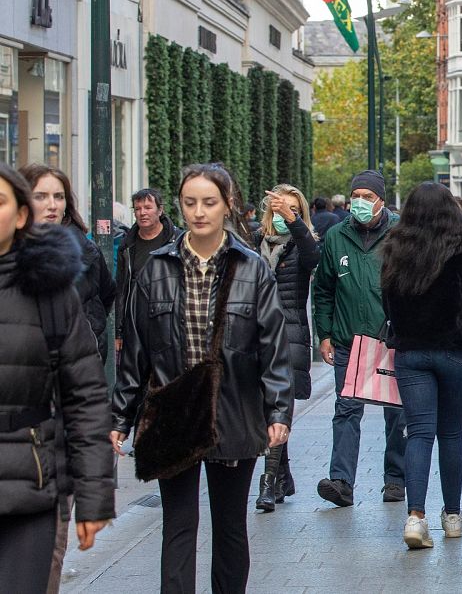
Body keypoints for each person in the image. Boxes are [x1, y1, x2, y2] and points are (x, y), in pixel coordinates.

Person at [111, 163, 292, 593]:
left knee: (230, 527)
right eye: (190, 202)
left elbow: (272, 347)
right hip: (172, 409)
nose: (198, 212)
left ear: (227, 205)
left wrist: (278, 409)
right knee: (177, 525)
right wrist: (120, 419)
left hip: (234, 407)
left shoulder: (251, 269)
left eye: (209, 202)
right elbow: (136, 350)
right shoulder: (156, 268)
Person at [0, 165, 113, 593]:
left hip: (29, 489)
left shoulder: (50, 292)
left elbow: (84, 395)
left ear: (21, 215)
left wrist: (94, 495)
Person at [379, 182, 462, 549]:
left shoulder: (395, 249)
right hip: (455, 352)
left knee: (418, 434)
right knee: (450, 434)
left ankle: (416, 517)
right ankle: (453, 515)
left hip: (411, 353)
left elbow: (387, 305)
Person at [312, 170, 407, 507]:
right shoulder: (337, 236)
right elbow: (323, 288)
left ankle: (396, 479)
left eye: (368, 197)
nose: (361, 203)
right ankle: (341, 481)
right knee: (346, 409)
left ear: (381, 200)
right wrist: (323, 333)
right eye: (357, 196)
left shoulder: (401, 233)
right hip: (348, 340)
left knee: (396, 411)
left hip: (391, 339)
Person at [252, 184, 321, 512]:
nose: (282, 215)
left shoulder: (304, 243)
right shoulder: (256, 243)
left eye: (291, 209)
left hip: (289, 334)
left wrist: (292, 220)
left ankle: (267, 484)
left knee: (280, 408)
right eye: (278, 210)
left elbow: (313, 256)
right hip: (256, 335)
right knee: (267, 409)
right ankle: (284, 475)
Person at [21, 165, 117, 362]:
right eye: (40, 196)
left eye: (59, 196)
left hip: (79, 368)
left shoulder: (88, 252)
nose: (52, 205)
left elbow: (106, 296)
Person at [115, 188, 182, 355]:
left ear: (160, 210)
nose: (142, 213)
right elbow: (121, 289)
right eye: (137, 209)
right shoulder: (127, 245)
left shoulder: (178, 241)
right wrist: (119, 331)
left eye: (147, 207)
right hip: (136, 323)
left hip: (169, 323)